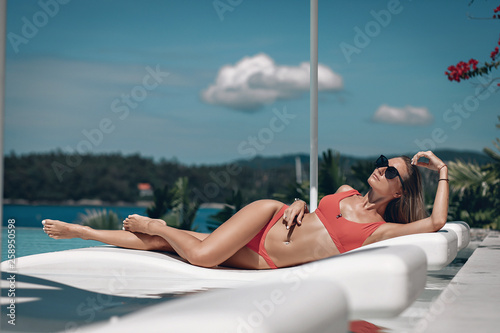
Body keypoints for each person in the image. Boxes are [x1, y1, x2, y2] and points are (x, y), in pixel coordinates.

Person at [42, 150, 449, 270]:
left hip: (264, 258)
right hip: (265, 215)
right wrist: (297, 201)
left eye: (390, 170)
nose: (379, 168)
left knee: (167, 247)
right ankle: (158, 225)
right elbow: (306, 212)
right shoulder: (343, 191)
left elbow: (435, 222)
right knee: (201, 255)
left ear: (400, 190)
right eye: (382, 161)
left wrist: (444, 171)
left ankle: (89, 233)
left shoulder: (377, 229)